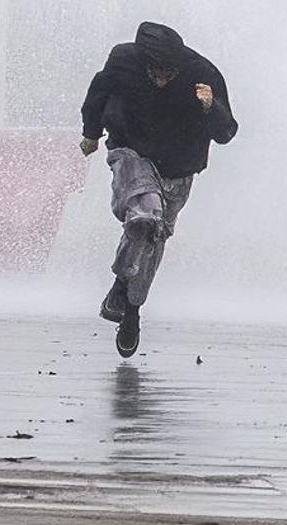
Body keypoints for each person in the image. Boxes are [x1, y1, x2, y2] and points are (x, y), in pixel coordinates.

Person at [79, 21, 237, 357]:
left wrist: (211, 108)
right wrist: (91, 132)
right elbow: (98, 93)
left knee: (151, 235)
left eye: (170, 71)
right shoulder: (123, 60)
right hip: (131, 153)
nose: (162, 77)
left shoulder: (202, 74)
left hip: (179, 168)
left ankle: (127, 303)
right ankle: (127, 302)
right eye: (156, 70)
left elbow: (226, 133)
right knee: (145, 214)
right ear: (142, 61)